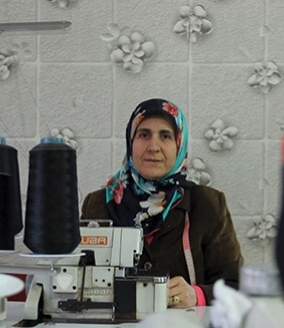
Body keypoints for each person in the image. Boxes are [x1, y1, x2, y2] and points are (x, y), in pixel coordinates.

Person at [81, 98, 243, 308]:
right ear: (130, 142)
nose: (153, 147)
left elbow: (237, 287)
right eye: (144, 135)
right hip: (115, 327)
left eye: (165, 136)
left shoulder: (207, 204)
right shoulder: (98, 205)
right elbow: (76, 279)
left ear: (179, 145)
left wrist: (197, 295)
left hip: (183, 327)